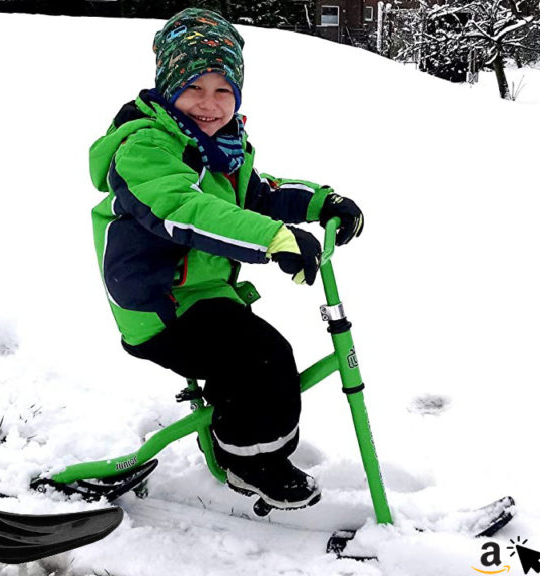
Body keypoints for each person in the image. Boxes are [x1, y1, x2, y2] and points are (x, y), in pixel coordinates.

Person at [88, 8, 364, 510]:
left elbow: (256, 192)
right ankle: (249, 463)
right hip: (160, 305)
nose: (209, 104)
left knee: (255, 362)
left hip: (207, 293)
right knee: (263, 361)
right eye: (194, 87)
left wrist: (319, 202)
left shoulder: (221, 146)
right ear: (168, 88)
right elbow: (186, 208)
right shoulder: (145, 148)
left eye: (223, 90)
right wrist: (272, 239)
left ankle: (241, 441)